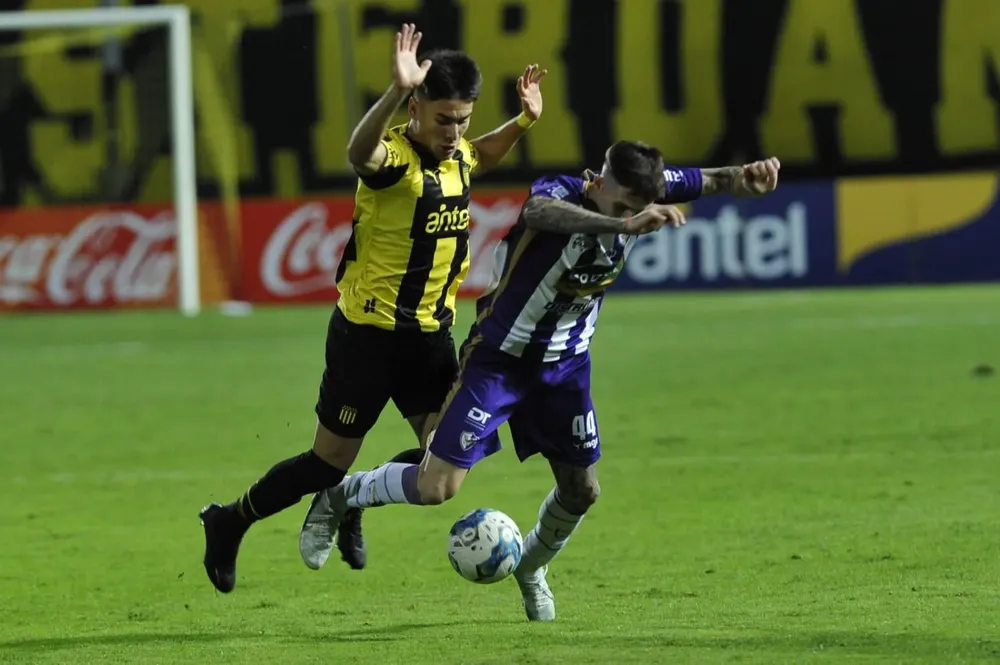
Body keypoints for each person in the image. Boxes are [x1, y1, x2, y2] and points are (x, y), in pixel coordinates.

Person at [297, 141, 781, 619]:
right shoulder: (561, 194)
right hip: (499, 360)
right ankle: (341, 494)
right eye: (622, 199)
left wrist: (746, 179)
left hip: (566, 369)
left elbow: (713, 179)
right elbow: (540, 211)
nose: (638, 208)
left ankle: (530, 570)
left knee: (582, 490)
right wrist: (622, 223)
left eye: (644, 203)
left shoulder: (647, 193)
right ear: (598, 180)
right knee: (436, 487)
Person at [199, 23, 548, 593]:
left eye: (462, 119)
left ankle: (355, 497)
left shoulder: (458, 152)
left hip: (431, 337)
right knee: (324, 462)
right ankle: (230, 520)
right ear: (415, 106)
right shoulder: (394, 161)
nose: (453, 131)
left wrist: (525, 119)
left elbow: (483, 151)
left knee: (446, 468)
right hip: (367, 339)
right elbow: (357, 152)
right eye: (442, 119)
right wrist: (390, 90)